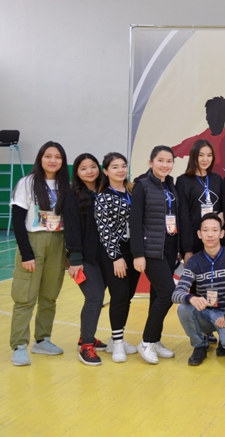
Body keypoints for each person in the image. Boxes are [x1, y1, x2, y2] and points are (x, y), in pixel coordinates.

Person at [9, 141, 70, 366]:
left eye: (58, 157)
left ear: (63, 161)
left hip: (58, 241)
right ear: (40, 158)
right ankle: (19, 345)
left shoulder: (66, 185)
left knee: (49, 295)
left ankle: (43, 340)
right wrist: (26, 254)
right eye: (48, 156)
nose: (53, 160)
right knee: (25, 296)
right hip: (33, 241)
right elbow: (18, 220)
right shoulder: (27, 183)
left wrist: (68, 252)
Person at [173, 213, 225, 366]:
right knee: (183, 309)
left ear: (222, 233)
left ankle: (223, 342)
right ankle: (200, 346)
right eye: (205, 230)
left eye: (214, 230)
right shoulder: (194, 261)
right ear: (199, 234)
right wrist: (191, 298)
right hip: (206, 313)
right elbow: (176, 294)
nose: (210, 234)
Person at [130, 145, 180, 364]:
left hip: (169, 249)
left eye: (169, 161)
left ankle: (155, 340)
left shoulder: (170, 185)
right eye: (160, 160)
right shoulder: (142, 185)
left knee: (157, 295)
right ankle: (147, 341)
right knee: (168, 292)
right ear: (151, 162)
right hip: (150, 251)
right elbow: (135, 221)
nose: (165, 165)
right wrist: (138, 254)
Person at [62, 153, 109, 365]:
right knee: (94, 298)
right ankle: (86, 346)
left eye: (93, 166)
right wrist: (75, 259)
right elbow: (72, 230)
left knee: (97, 298)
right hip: (85, 259)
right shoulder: (72, 196)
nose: (89, 171)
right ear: (77, 172)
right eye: (83, 168)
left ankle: (85, 336)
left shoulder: (105, 191)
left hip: (105, 257)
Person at [94, 152, 139, 362]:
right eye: (114, 167)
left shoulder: (133, 191)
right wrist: (116, 257)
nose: (120, 170)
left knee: (128, 295)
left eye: (123, 165)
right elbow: (105, 230)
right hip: (116, 252)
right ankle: (118, 343)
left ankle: (115, 339)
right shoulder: (103, 197)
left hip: (134, 250)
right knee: (119, 296)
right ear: (105, 171)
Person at [172, 96, 225, 177]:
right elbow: (170, 153)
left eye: (219, 115)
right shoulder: (198, 140)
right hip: (205, 183)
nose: (215, 119)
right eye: (211, 115)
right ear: (206, 117)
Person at [176, 139, 224, 260]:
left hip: (215, 240)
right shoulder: (183, 181)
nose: (205, 159)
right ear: (193, 156)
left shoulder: (217, 179)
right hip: (194, 241)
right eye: (201, 155)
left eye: (209, 155)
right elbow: (183, 217)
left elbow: (223, 207)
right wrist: (187, 249)